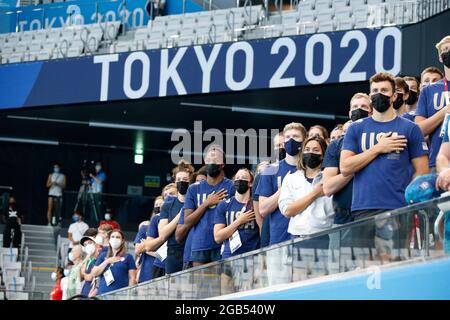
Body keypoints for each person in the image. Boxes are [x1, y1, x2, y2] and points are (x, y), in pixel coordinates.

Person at [341, 72, 429, 249]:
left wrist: (408, 200)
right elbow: (345, 167)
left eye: (384, 90)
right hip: (363, 207)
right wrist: (377, 148)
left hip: (398, 207)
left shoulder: (410, 128)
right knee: (363, 266)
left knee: (395, 265)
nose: (378, 94)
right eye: (374, 90)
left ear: (394, 95)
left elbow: (422, 171)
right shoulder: (356, 129)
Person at [323, 93, 372, 235]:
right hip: (343, 219)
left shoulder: (379, 140)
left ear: (371, 111)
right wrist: (356, 165)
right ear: (349, 113)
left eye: (363, 106)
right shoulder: (335, 145)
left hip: (373, 213)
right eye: (355, 107)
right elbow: (327, 187)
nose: (359, 109)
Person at [183, 145, 235, 266]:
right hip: (200, 244)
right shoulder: (193, 188)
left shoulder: (231, 186)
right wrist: (206, 203)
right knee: (199, 284)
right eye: (208, 160)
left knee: (221, 284)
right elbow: (187, 221)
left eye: (215, 160)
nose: (211, 163)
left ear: (222, 164)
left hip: (223, 243)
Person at [279, 136, 334, 249]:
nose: (311, 153)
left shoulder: (330, 178)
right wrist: (315, 194)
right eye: (307, 149)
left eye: (316, 150)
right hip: (297, 237)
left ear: (323, 154)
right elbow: (288, 210)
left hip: (324, 236)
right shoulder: (291, 178)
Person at [257, 122, 307, 245]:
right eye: (288, 137)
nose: (291, 140)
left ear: (304, 141)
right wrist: (284, 188)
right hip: (278, 239)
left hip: (306, 236)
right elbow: (262, 209)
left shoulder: (310, 168)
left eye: (296, 137)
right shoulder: (270, 170)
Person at [415, 36, 450, 170]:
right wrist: (443, 112)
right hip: (437, 161)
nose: (449, 51)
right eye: (445, 49)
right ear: (441, 57)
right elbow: (419, 130)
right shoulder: (428, 91)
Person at [214, 168, 260, 257]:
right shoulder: (224, 204)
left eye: (243, 178)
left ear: (250, 183)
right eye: (237, 178)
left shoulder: (255, 204)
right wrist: (238, 221)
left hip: (252, 255)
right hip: (229, 255)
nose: (239, 180)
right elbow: (218, 237)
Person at [159, 160, 194, 274]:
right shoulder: (168, 205)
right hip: (173, 253)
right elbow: (163, 234)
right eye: (179, 180)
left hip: (191, 251)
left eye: (185, 180)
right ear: (174, 182)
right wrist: (180, 214)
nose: (181, 182)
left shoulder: (196, 202)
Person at [92, 230, 137, 295]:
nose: (114, 239)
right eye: (112, 237)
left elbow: (132, 278)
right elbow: (94, 273)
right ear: (109, 240)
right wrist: (107, 261)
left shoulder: (128, 257)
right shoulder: (103, 255)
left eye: (117, 237)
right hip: (103, 293)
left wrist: (129, 294)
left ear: (122, 241)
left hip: (121, 294)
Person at [79, 229, 101, 297]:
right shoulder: (89, 258)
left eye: (89, 243)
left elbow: (89, 277)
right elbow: (80, 276)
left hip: (93, 294)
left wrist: (84, 274)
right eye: (85, 244)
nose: (87, 246)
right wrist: (88, 256)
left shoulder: (99, 257)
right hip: (84, 292)